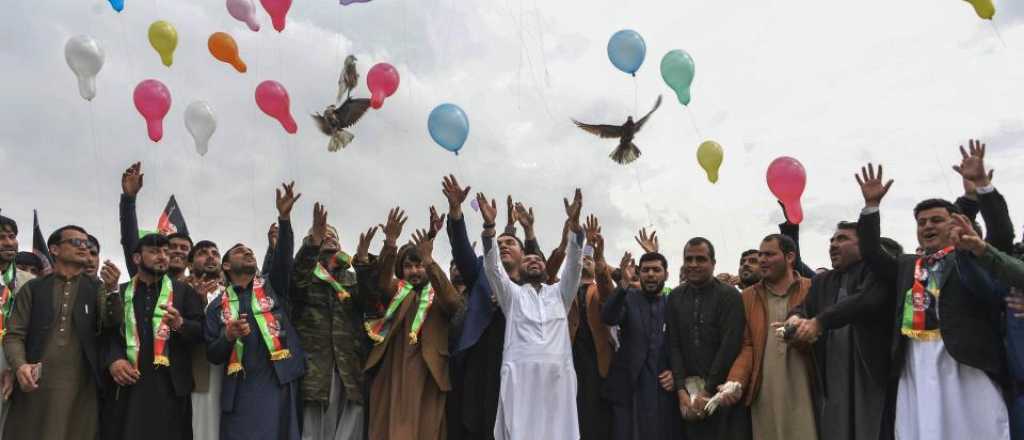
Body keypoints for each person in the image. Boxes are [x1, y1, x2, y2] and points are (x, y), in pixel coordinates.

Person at [853, 156, 1009, 439]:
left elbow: (1001, 235)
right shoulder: (906, 264)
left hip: (964, 359)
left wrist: (981, 189)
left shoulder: (971, 257)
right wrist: (871, 207)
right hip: (915, 360)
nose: (927, 226)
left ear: (956, 224)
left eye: (937, 220)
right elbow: (873, 253)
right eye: (922, 222)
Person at [204, 182, 306, 440]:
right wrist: (227, 335)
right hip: (240, 391)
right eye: (240, 251)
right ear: (226, 265)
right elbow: (213, 354)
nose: (248, 252)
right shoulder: (217, 306)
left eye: (250, 250)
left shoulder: (273, 286)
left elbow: (283, 257)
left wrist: (284, 219)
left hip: (279, 382)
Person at [481, 189, 585, 440]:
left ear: (545, 268)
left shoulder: (560, 294)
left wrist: (574, 227)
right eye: (527, 260)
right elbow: (493, 267)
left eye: (538, 259)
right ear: (520, 268)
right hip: (520, 377)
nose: (533, 261)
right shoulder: (513, 296)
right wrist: (489, 227)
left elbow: (574, 263)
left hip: (558, 375)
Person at [4, 225, 121, 440]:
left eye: (87, 244)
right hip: (34, 387)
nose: (84, 247)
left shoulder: (97, 289)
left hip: (81, 391)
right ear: (55, 249)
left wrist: (113, 290)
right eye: (76, 242)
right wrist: (20, 366)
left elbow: (112, 327)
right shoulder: (33, 288)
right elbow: (14, 335)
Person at [358, 207, 461, 440]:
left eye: (419, 265)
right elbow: (383, 282)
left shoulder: (438, 292)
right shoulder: (397, 291)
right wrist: (391, 244)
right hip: (392, 374)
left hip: (428, 374)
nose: (415, 271)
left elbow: (455, 303)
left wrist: (430, 261)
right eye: (408, 266)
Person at [787, 221, 894, 440]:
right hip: (833, 372)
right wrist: (795, 320)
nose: (833, 245)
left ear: (865, 245)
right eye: (832, 240)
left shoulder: (878, 274)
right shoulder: (822, 281)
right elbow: (802, 308)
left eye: (842, 239)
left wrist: (819, 322)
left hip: (871, 372)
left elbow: (864, 302)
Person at [102, 233, 204, 440]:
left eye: (166, 252)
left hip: (171, 386)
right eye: (154, 251)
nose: (163, 256)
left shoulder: (184, 292)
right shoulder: (120, 292)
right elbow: (108, 334)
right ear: (137, 258)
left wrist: (180, 324)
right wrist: (115, 360)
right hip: (128, 383)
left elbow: (202, 332)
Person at [291, 203, 374, 440]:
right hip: (316, 372)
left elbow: (371, 302)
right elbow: (296, 278)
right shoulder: (305, 278)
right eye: (322, 235)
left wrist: (364, 263)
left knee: (350, 431)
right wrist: (312, 243)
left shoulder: (351, 278)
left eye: (333, 236)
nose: (329, 238)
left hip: (348, 370)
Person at [725, 235, 816, 440]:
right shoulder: (748, 297)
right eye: (760, 255)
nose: (762, 260)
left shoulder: (812, 288)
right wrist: (735, 380)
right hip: (764, 394)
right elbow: (747, 345)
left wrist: (802, 337)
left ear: (790, 257)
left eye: (769, 254)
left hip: (806, 391)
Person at [666, 237, 749, 440]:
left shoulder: (729, 296)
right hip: (687, 394)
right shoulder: (675, 297)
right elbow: (673, 344)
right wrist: (680, 390)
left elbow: (729, 346)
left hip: (723, 393)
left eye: (700, 259)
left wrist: (708, 391)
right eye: (689, 259)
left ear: (713, 263)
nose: (693, 265)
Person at [602, 250, 683, 440]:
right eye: (646, 270)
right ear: (640, 273)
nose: (651, 274)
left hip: (662, 389)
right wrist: (622, 283)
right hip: (629, 389)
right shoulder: (628, 297)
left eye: (656, 269)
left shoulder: (673, 302)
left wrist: (676, 373)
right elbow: (608, 317)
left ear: (666, 274)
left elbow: (683, 344)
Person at [569, 216, 615, 440]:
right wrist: (583, 241)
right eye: (582, 260)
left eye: (589, 260)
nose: (585, 261)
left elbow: (610, 295)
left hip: (597, 362)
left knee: (596, 420)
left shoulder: (600, 288)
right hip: (570, 362)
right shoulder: (563, 290)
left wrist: (599, 259)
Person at [119, 162, 193, 280]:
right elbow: (130, 240)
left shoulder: (202, 288)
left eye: (184, 248)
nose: (178, 251)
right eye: (172, 247)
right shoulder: (143, 277)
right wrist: (129, 199)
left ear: (192, 258)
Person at [0, 215, 36, 435]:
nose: (8, 242)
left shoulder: (29, 283)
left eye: (12, 236)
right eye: (1, 237)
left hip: (10, 360)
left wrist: (16, 366)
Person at [185, 240, 224, 440]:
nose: (210, 256)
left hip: (230, 373)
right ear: (190, 264)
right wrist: (197, 302)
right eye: (203, 253)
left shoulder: (233, 291)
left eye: (215, 253)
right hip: (198, 374)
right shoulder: (180, 290)